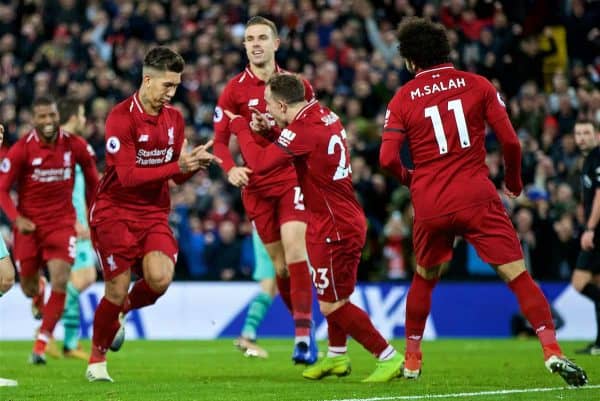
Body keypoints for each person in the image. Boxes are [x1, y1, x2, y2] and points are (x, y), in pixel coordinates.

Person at [379, 17, 587, 386]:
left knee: (424, 279)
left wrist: (414, 180)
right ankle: (551, 350)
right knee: (518, 276)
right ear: (447, 51)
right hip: (476, 195)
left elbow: (387, 160)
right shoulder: (478, 85)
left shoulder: (402, 98)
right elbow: (511, 142)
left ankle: (411, 359)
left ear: (411, 61)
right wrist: (513, 181)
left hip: (430, 201)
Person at [225, 73, 404, 382]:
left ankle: (387, 356)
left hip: (332, 226)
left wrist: (239, 127)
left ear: (282, 104)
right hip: (343, 219)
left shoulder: (303, 130)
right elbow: (299, 148)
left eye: (268, 104)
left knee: (332, 305)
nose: (266, 109)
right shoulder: (324, 116)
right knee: (337, 297)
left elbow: (261, 162)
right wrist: (270, 130)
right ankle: (336, 356)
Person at [85, 46, 220, 382]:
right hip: (114, 211)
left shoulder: (174, 119)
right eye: (166, 86)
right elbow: (128, 176)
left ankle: (121, 312)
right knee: (114, 289)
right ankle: (96, 362)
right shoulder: (120, 117)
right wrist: (179, 164)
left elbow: (174, 175)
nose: (171, 94)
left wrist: (193, 166)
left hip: (153, 213)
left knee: (159, 279)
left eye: (175, 86)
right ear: (147, 80)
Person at [213, 16, 316, 363]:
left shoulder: (295, 86)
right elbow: (219, 142)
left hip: (290, 180)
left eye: (261, 37)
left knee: (295, 248)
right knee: (281, 268)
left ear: (276, 44)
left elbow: (310, 133)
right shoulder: (233, 90)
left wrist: (273, 131)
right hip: (256, 188)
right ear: (244, 46)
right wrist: (230, 169)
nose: (255, 43)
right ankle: (305, 329)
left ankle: (302, 336)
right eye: (249, 39)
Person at [0, 96, 99, 365]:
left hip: (62, 225)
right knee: (29, 287)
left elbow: (94, 181)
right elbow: (2, 190)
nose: (48, 121)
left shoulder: (75, 145)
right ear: (33, 119)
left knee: (61, 279)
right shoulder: (21, 150)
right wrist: (16, 219)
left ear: (58, 116)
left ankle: (43, 342)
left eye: (51, 116)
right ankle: (38, 290)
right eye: (42, 116)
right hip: (29, 228)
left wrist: (93, 216)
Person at [54, 97, 98, 359]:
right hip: (71, 225)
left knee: (76, 279)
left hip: (78, 222)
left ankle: (65, 339)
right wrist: (73, 220)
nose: (84, 120)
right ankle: (48, 323)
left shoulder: (73, 146)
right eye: (82, 115)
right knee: (82, 279)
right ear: (72, 117)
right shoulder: (61, 148)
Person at [572, 119, 600, 356]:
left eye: (586, 133)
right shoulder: (588, 160)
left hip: (598, 230)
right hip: (594, 228)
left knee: (579, 283)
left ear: (596, 135)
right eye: (578, 133)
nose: (582, 137)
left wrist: (590, 228)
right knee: (597, 285)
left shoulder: (598, 157)